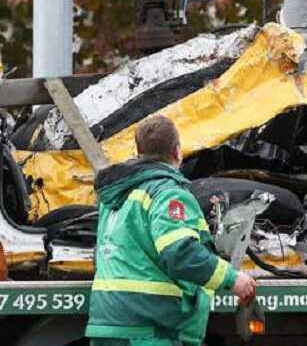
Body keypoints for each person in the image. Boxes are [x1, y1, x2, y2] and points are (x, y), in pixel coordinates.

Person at [87, 115, 256, 346]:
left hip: (109, 325)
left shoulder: (114, 196)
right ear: (177, 152)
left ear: (139, 152)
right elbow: (179, 253)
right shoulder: (167, 193)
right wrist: (232, 279)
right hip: (149, 327)